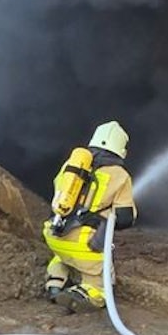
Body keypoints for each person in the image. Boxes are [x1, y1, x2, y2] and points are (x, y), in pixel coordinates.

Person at [43, 120, 137, 313]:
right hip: (85, 245)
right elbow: (125, 217)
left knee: (62, 258)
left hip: (54, 234)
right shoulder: (120, 175)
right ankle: (86, 293)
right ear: (122, 150)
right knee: (100, 277)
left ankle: (55, 283)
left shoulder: (71, 166)